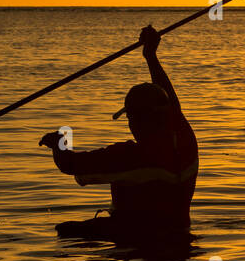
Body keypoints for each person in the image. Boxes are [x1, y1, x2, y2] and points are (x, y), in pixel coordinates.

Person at [39, 26, 198, 244]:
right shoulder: (186, 144)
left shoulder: (131, 156)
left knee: (64, 232)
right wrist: (151, 56)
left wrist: (58, 145)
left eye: (130, 118)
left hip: (137, 238)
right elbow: (173, 106)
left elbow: (71, 165)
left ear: (135, 119)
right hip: (180, 236)